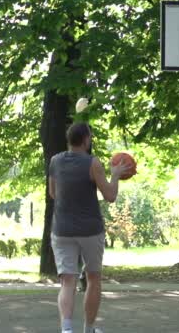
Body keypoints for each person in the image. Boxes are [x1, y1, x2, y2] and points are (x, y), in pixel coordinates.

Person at [49, 123, 131, 333]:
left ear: (69, 139)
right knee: (93, 279)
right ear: (86, 139)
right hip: (90, 231)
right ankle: (89, 329)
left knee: (67, 281)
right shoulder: (93, 163)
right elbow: (110, 196)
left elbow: (53, 193)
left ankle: (67, 330)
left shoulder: (55, 161)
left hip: (62, 230)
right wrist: (115, 174)